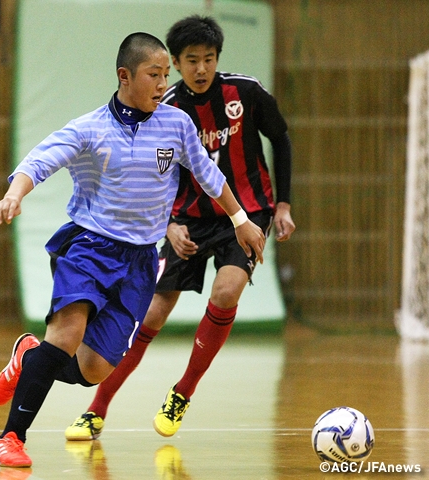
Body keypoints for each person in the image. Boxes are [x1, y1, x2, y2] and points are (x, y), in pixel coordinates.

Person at [0, 31, 266, 468]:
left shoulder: (175, 124)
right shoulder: (90, 128)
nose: (162, 84)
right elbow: (38, 161)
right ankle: (10, 437)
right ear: (125, 76)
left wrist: (241, 220)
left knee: (95, 368)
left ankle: (27, 357)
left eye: (165, 75)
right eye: (153, 75)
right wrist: (15, 194)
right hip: (89, 248)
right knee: (65, 336)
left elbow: (210, 176)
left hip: (139, 260)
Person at [65, 15, 295, 441]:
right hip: (186, 220)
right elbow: (151, 175)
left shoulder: (246, 92)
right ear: (176, 62)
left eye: (209, 59)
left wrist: (282, 204)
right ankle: (96, 409)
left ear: (218, 60)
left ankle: (182, 393)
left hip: (242, 215)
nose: (201, 69)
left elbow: (280, 138)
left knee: (226, 291)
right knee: (150, 314)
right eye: (192, 61)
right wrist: (170, 223)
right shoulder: (163, 105)